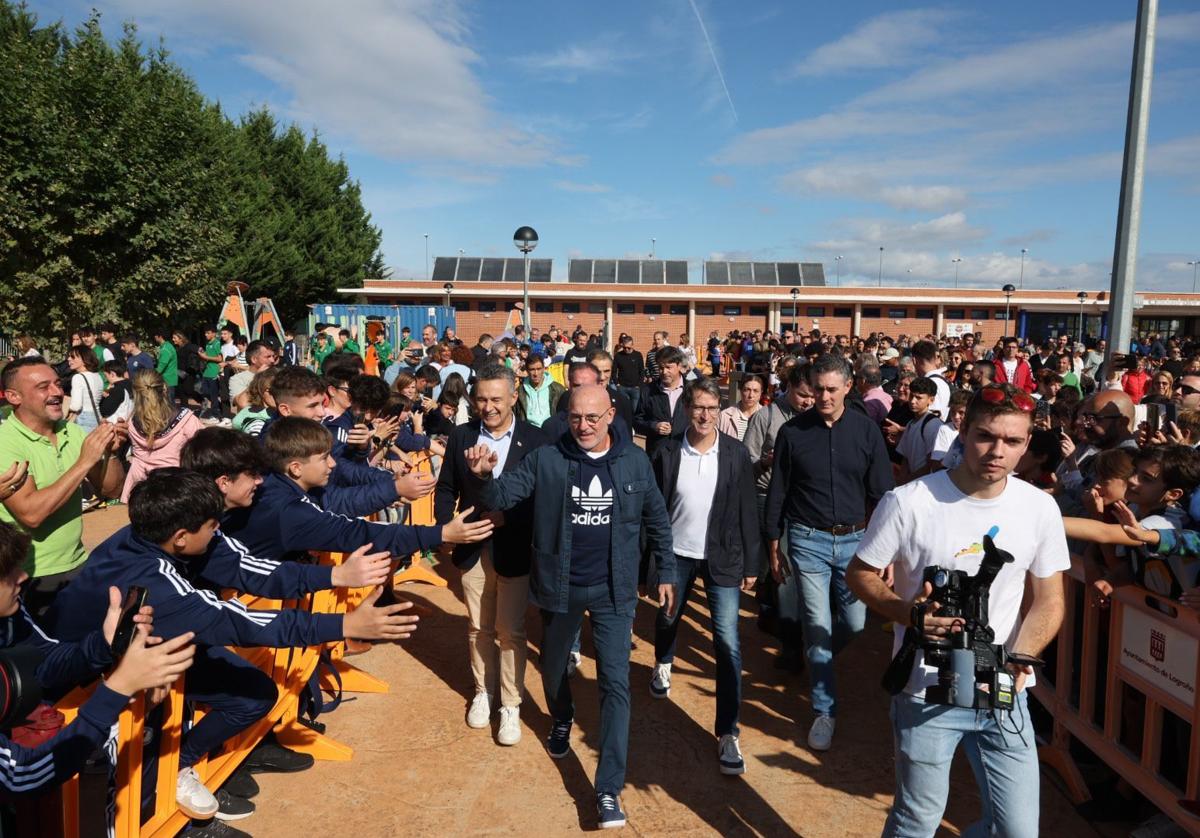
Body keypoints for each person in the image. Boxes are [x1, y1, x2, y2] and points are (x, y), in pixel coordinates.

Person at [46, 468, 420, 823]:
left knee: (252, 693)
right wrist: (344, 623)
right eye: (211, 527)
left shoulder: (142, 536)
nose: (217, 533)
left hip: (120, 659)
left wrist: (333, 581)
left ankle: (173, 765)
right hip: (80, 686)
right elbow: (240, 623)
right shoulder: (156, 583)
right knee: (112, 767)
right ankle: (152, 794)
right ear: (180, 536)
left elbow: (252, 575)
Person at [846, 383, 1069, 837]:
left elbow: (1050, 599)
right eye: (986, 436)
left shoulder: (1040, 509)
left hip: (1006, 692)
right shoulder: (909, 502)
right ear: (963, 431)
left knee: (1018, 831)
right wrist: (909, 613)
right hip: (925, 689)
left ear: (1028, 444)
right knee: (918, 821)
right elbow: (860, 573)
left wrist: (1022, 656)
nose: (997, 451)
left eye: (1012, 441)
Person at [465, 385, 675, 829]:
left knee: (616, 684)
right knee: (555, 668)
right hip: (559, 588)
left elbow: (657, 518)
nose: (584, 426)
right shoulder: (548, 459)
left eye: (594, 418)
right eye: (577, 417)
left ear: (611, 415)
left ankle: (608, 789)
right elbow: (503, 497)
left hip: (614, 591)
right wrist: (484, 476)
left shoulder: (634, 461)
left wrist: (668, 571)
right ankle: (562, 716)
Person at [764, 353, 894, 752]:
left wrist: (888, 550)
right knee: (818, 626)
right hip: (806, 540)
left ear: (848, 387)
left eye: (831, 389)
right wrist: (773, 539)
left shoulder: (866, 432)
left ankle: (815, 656)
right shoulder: (793, 432)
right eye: (817, 389)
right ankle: (824, 709)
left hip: (857, 544)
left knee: (854, 623)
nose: (822, 397)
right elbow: (779, 490)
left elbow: (884, 494)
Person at [647, 377, 760, 775]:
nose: (705, 415)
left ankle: (728, 731)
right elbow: (655, 510)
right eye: (698, 407)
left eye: (712, 408)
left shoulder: (734, 454)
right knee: (666, 617)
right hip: (676, 555)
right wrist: (654, 560)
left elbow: (749, 509)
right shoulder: (665, 452)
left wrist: (751, 565)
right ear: (687, 409)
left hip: (723, 558)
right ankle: (663, 659)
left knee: (728, 643)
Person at [435, 364, 547, 746]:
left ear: (514, 397)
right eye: (481, 399)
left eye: (497, 399)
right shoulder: (461, 435)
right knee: (478, 627)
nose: (489, 406)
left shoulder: (535, 440)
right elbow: (446, 487)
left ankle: (511, 705)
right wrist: (444, 529)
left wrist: (512, 515)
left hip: (514, 548)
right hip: (473, 546)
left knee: (512, 631)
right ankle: (484, 692)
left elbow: (543, 497)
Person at [0, 358, 127, 617]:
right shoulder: (5, 443)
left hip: (78, 563)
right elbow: (31, 514)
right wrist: (84, 462)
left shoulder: (73, 432)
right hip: (28, 576)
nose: (57, 392)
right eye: (43, 387)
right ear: (14, 396)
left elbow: (111, 492)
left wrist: (111, 454)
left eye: (58, 384)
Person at [121, 369, 204, 503]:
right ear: (164, 388)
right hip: (174, 485)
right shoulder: (185, 419)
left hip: (140, 485)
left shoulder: (131, 421)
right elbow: (206, 446)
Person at [635, 345, 689, 458]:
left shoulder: (691, 390)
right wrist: (653, 426)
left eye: (669, 367)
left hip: (685, 452)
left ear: (679, 366)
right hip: (657, 454)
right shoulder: (648, 391)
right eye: (661, 367)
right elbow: (637, 421)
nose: (664, 372)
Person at [895, 378, 944, 483]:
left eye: (918, 398)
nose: (913, 401)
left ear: (931, 400)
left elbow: (932, 464)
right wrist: (901, 481)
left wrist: (908, 481)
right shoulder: (910, 424)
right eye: (912, 396)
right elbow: (906, 458)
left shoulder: (933, 425)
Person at [64, 345, 104, 433]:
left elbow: (76, 406)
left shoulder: (78, 377)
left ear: (83, 359)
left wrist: (65, 406)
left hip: (83, 418)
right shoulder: (98, 376)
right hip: (97, 416)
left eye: (73, 357)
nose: (69, 359)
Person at [517, 353, 563, 429]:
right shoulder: (520, 391)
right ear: (527, 371)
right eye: (532, 369)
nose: (536, 373)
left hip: (552, 431)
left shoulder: (557, 389)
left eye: (539, 369)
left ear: (544, 369)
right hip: (528, 432)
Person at [717, 374, 763, 441]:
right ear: (740, 391)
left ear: (761, 393)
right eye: (747, 390)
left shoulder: (766, 417)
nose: (751, 395)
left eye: (755, 391)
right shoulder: (724, 416)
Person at [613, 335, 645, 414]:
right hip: (622, 387)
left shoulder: (638, 355)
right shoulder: (618, 356)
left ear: (632, 345)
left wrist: (639, 385)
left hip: (635, 388)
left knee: (634, 410)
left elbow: (641, 371)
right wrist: (617, 384)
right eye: (624, 348)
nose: (626, 349)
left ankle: (632, 425)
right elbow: (613, 371)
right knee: (624, 409)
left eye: (628, 348)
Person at [152, 329, 179, 402]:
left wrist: (150, 375)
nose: (154, 337)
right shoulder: (166, 346)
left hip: (167, 380)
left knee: (168, 404)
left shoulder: (165, 349)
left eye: (155, 336)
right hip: (168, 379)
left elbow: (161, 367)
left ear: (160, 336)